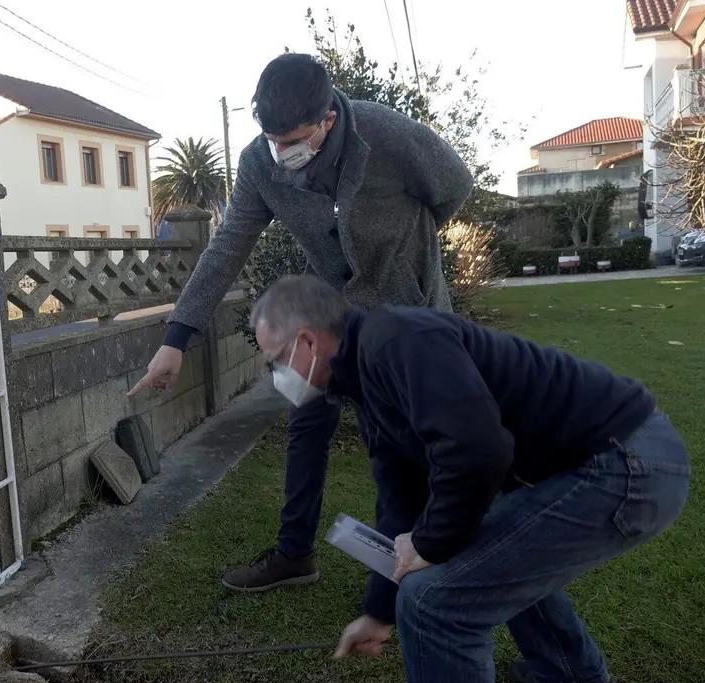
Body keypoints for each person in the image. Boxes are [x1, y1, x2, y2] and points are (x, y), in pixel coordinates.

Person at [252, 275, 690, 683]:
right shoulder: (367, 382)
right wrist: (378, 612)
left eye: (276, 360)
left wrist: (429, 544)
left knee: (434, 602)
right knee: (483, 553)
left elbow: (479, 451)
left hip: (628, 463)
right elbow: (400, 499)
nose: (278, 375)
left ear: (307, 341)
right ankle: (572, 678)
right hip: (611, 461)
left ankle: (572, 677)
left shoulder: (396, 339)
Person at [128, 53, 474, 592]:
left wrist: (408, 258)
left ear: (327, 119)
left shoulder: (383, 132)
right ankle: (295, 554)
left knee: (397, 447)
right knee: (305, 418)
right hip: (326, 316)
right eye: (271, 139)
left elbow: (454, 185)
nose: (280, 152)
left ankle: (409, 577)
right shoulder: (259, 163)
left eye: (291, 141)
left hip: (405, 315)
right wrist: (177, 338)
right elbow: (227, 246)